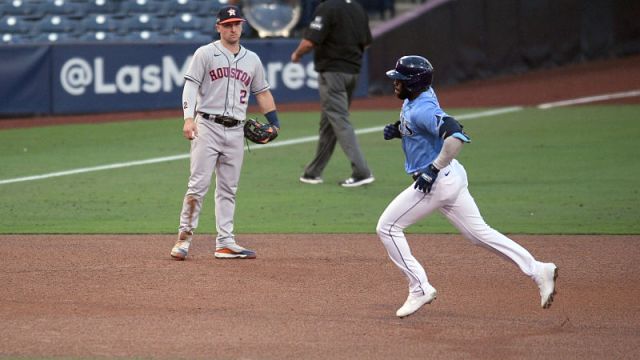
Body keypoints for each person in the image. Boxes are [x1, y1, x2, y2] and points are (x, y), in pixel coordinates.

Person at [376, 55, 558, 318]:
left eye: (400, 80)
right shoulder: (416, 98)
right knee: (479, 233)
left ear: (414, 84)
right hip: (453, 178)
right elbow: (423, 126)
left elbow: (456, 135)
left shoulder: (422, 109)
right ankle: (538, 269)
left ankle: (419, 288)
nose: (395, 84)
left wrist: (433, 169)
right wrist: (400, 130)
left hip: (437, 182)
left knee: (388, 227)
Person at [170, 5, 281, 260]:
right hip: (206, 126)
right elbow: (190, 87)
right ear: (218, 27)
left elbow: (262, 92)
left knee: (229, 189)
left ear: (242, 26)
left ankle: (225, 242)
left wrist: (274, 123)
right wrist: (188, 119)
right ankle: (183, 239)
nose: (233, 28)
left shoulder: (252, 59)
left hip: (236, 130)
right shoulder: (205, 53)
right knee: (197, 186)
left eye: (237, 24)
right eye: (228, 24)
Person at [291, 0, 374, 187]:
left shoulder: (327, 7)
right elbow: (367, 42)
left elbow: (309, 41)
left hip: (333, 71)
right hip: (353, 71)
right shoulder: (357, 7)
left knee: (339, 119)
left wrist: (296, 55)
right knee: (329, 122)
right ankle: (313, 172)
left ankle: (362, 171)